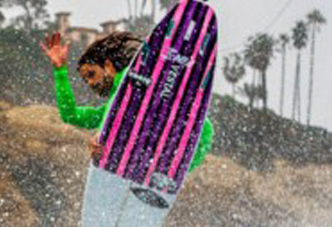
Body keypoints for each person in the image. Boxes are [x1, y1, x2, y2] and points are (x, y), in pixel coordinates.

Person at [39, 31, 213, 172]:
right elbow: (71, 115)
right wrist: (60, 72)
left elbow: (120, 102)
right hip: (174, 150)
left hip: (192, 132)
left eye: (91, 75)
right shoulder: (110, 109)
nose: (91, 84)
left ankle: (159, 166)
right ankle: (155, 169)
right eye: (86, 81)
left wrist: (104, 133)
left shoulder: (136, 80)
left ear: (108, 66)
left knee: (127, 90)